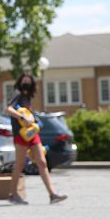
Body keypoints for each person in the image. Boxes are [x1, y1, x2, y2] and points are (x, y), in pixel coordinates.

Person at [6, 74, 67, 205]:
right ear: (20, 81)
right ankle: (13, 194)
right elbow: (8, 109)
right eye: (24, 79)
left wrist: (35, 120)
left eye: (29, 80)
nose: (26, 81)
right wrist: (22, 118)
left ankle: (52, 194)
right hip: (21, 134)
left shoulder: (27, 97)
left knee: (42, 162)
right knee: (20, 164)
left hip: (32, 134)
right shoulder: (16, 93)